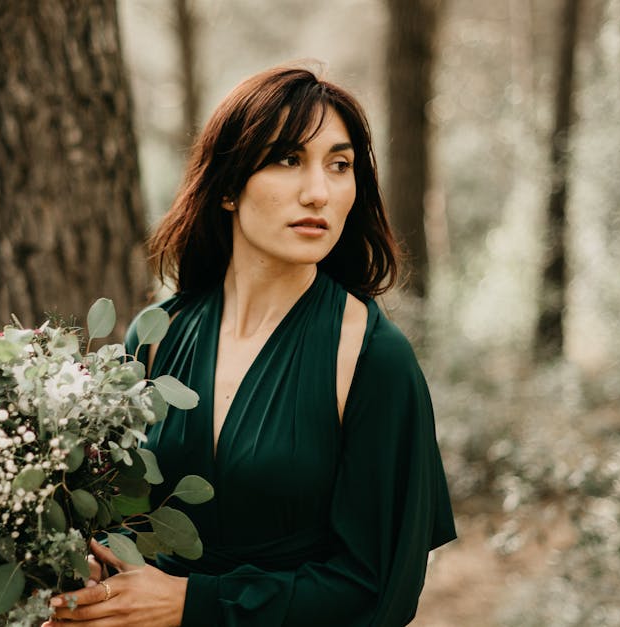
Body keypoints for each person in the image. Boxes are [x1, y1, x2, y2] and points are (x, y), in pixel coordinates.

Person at [45, 64, 456, 627]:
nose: (319, 192)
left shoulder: (373, 359)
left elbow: (377, 589)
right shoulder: (155, 337)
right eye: (288, 159)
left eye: (339, 165)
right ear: (229, 186)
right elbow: (122, 525)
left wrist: (195, 604)